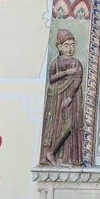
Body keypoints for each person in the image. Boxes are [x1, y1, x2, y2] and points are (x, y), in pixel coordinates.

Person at [39, 28, 84, 166]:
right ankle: (51, 153)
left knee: (71, 125)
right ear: (59, 47)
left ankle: (64, 155)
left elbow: (78, 79)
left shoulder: (77, 63)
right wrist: (66, 72)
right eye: (66, 45)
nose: (70, 48)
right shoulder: (55, 62)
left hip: (71, 98)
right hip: (56, 98)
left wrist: (70, 97)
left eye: (72, 45)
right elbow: (51, 79)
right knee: (56, 126)